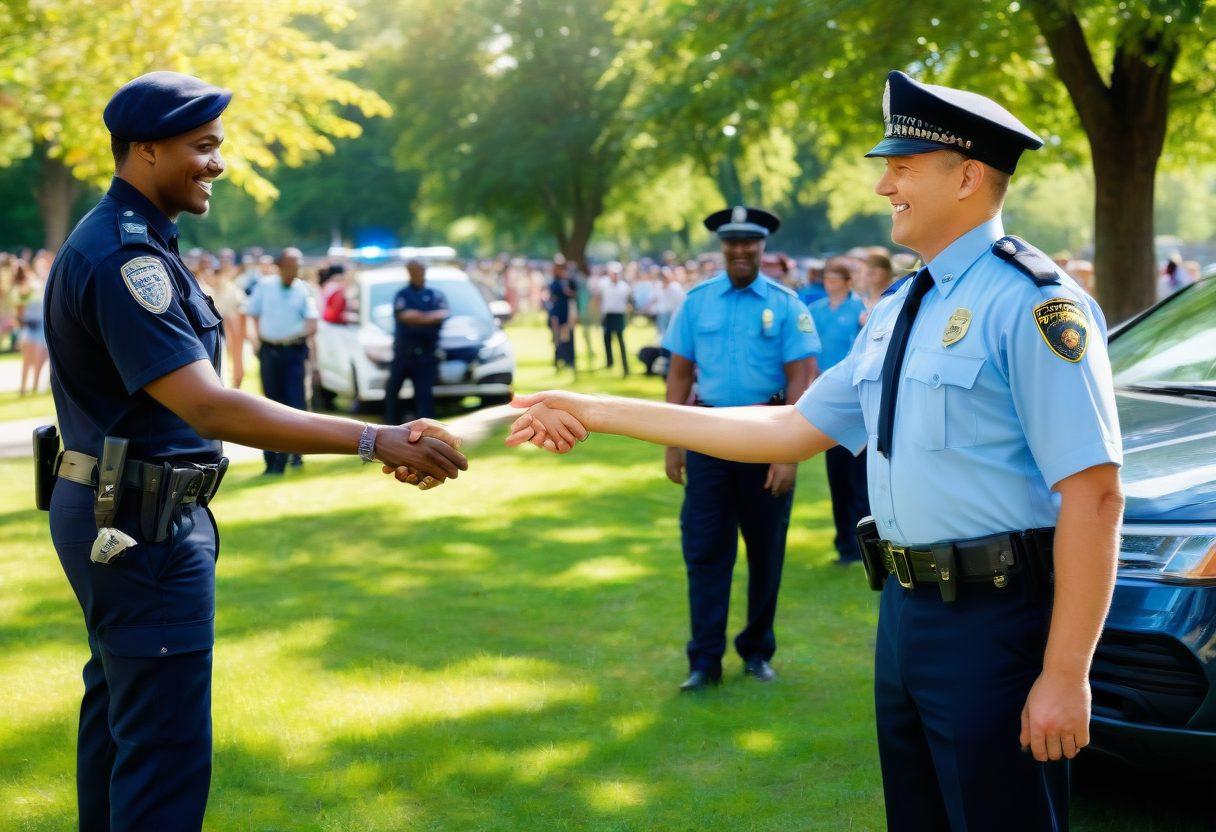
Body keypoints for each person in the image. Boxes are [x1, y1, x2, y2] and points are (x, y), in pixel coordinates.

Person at [508, 69, 1123, 832]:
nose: (884, 187)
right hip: (906, 614)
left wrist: (1066, 673)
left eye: (901, 168)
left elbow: (1094, 492)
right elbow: (792, 428)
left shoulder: (1035, 302)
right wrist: (596, 409)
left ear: (966, 177)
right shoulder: (902, 304)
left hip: (998, 625)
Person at [40, 71, 466, 832]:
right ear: (144, 150)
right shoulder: (123, 258)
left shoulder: (138, 244)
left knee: (121, 726)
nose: (218, 163)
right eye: (202, 147)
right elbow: (211, 404)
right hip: (140, 524)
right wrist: (373, 437)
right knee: (160, 757)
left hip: (130, 513)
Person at [655, 205, 819, 691]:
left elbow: (801, 379)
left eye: (750, 242)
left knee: (766, 550)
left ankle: (756, 650)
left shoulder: (788, 303)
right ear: (722, 247)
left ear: (762, 247)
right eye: (732, 242)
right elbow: (680, 374)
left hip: (767, 435)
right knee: (706, 550)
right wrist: (673, 440)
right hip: (707, 435)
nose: (741, 249)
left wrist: (788, 451)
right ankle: (704, 662)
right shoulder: (696, 302)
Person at [808, 263, 870, 564]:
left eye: (835, 278)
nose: (829, 283)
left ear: (847, 281)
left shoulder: (862, 310)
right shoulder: (816, 309)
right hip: (825, 397)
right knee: (837, 477)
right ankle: (844, 545)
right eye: (826, 278)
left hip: (855, 401)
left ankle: (864, 546)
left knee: (859, 478)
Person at [245, 247, 317, 474]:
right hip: (270, 351)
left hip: (293, 351)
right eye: (290, 266)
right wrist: (256, 341)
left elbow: (312, 322)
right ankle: (273, 460)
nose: (294, 270)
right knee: (271, 404)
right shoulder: (265, 286)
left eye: (297, 266)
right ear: (280, 266)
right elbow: (252, 313)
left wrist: (295, 336)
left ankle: (296, 453)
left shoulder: (302, 289)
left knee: (295, 402)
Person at [385, 259, 449, 424]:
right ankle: (391, 425)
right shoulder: (403, 294)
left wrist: (418, 316)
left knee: (424, 394)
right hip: (404, 352)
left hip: (426, 352)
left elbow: (442, 314)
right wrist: (428, 317)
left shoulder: (435, 294)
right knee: (392, 391)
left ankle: (427, 428)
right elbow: (404, 315)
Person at [11, 260, 49, 395]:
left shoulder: (34, 282)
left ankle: (34, 386)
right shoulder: (20, 289)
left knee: (41, 357)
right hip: (30, 326)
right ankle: (23, 388)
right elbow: (19, 311)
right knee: (28, 359)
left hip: (39, 324)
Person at [598, 263, 632, 375]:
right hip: (607, 315)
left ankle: (625, 366)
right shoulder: (603, 284)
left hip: (618, 315)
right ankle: (609, 362)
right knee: (606, 339)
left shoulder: (624, 287)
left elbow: (628, 302)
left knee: (620, 340)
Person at [546, 256, 577, 372]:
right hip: (557, 314)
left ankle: (568, 360)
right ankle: (558, 360)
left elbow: (573, 293)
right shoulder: (554, 282)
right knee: (557, 338)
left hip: (566, 314)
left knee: (567, 338)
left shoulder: (569, 280)